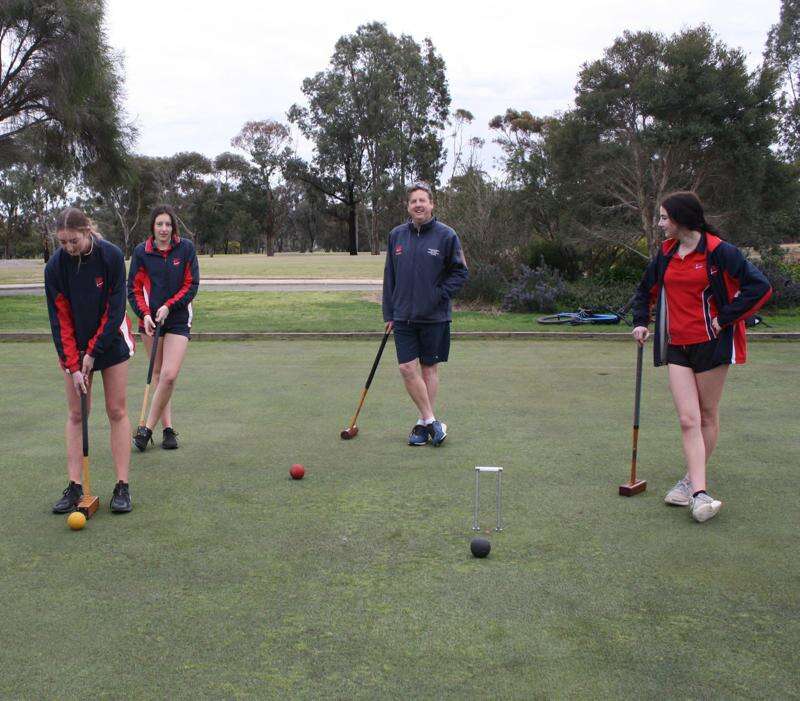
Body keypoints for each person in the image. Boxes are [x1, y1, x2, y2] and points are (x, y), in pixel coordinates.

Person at [631, 191, 772, 523]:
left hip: (712, 344)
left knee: (707, 414)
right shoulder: (666, 253)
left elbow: (759, 287)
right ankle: (699, 493)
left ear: (680, 219)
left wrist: (725, 318)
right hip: (677, 345)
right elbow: (645, 290)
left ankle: (691, 483)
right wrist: (640, 321)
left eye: (664, 218)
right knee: (687, 419)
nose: (660, 223)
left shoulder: (720, 251)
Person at [45, 208, 136, 514]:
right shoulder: (55, 267)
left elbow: (115, 309)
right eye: (63, 242)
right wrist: (73, 365)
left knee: (116, 410)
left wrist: (93, 352)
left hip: (110, 341)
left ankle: (122, 486)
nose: (68, 247)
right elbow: (60, 320)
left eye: (73, 241)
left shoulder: (110, 256)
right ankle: (75, 486)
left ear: (87, 231)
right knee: (76, 413)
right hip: (75, 345)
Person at [382, 181, 469, 446]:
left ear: (431, 204)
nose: (418, 205)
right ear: (408, 206)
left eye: (423, 200)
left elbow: (460, 272)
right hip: (403, 316)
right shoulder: (396, 235)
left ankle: (422, 425)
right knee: (407, 368)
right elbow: (389, 276)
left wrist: (438, 295)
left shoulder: (447, 235)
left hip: (434, 316)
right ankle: (432, 421)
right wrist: (389, 313)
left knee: (429, 369)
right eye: (413, 201)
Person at [127, 205, 199, 451]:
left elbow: (191, 285)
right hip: (150, 321)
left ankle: (146, 429)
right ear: (153, 227)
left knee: (169, 375)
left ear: (173, 227)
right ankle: (167, 429)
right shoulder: (142, 252)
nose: (164, 229)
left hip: (178, 318)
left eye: (168, 224)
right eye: (159, 224)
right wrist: (145, 314)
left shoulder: (185, 249)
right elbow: (134, 289)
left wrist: (169, 305)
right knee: (158, 374)